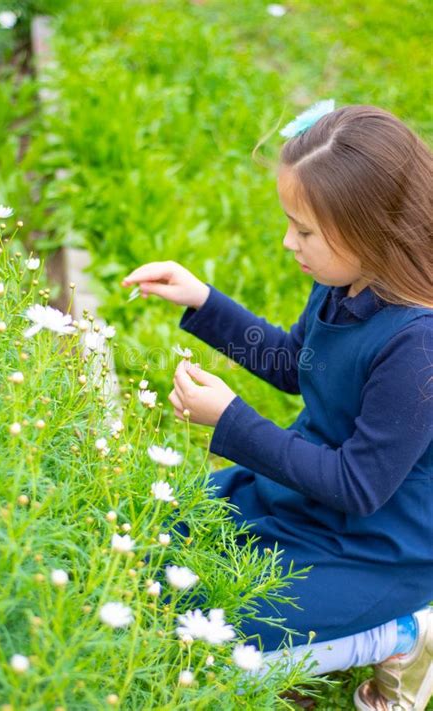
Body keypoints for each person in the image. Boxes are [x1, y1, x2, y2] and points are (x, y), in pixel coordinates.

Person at [122, 103, 433, 710]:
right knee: (152, 552)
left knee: (211, 647)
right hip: (302, 493)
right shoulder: (345, 280)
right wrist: (205, 301)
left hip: (377, 545)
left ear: (372, 229)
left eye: (305, 230)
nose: (289, 241)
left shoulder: (418, 343)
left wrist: (233, 423)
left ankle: (403, 633)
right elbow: (297, 363)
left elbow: (360, 486)